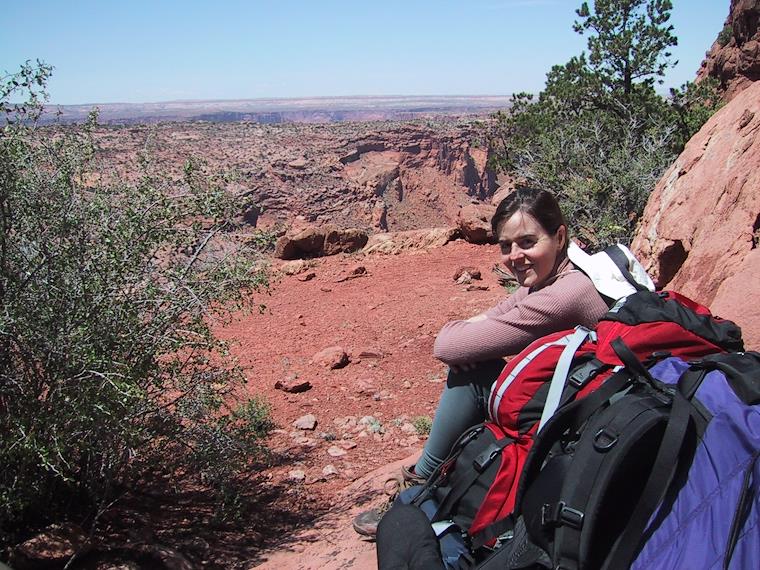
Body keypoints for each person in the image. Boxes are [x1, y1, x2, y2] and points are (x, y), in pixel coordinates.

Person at [353, 187, 610, 536]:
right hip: (583, 403)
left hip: (582, 425)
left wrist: (467, 337)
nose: (515, 256)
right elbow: (492, 317)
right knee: (477, 361)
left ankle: (419, 488)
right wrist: (471, 336)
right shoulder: (563, 274)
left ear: (560, 236)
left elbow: (447, 346)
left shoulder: (565, 294)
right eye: (506, 246)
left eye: (527, 242)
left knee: (473, 377)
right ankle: (440, 480)